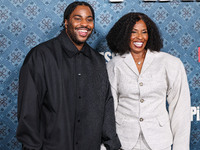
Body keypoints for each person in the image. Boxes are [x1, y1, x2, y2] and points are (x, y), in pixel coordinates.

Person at [16, 1, 121, 150]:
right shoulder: (41, 56)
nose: (84, 24)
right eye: (77, 18)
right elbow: (28, 110)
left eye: (89, 19)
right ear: (66, 22)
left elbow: (106, 105)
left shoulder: (97, 61)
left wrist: (112, 145)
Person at [105, 12, 191, 150]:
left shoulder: (170, 63)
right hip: (124, 142)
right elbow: (108, 109)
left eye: (144, 32)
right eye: (133, 32)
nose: (139, 37)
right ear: (124, 34)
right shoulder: (114, 65)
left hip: (159, 142)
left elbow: (181, 110)